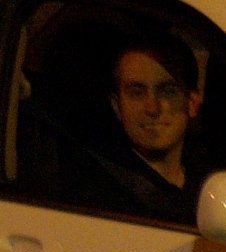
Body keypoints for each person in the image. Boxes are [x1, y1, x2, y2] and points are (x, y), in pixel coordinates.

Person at [67, 32, 206, 224]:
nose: (153, 108)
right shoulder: (93, 197)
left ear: (192, 102)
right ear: (117, 106)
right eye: (137, 93)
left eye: (168, 91)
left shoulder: (210, 187)